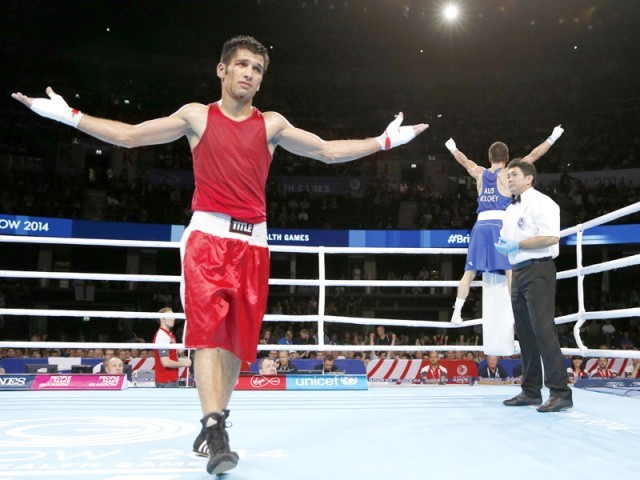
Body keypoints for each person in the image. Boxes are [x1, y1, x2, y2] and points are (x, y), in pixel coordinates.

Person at [12, 35, 427, 476]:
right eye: (242, 65)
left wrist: (381, 143)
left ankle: (216, 421)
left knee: (235, 345)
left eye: (257, 69)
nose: (249, 73)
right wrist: (69, 116)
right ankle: (215, 429)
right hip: (208, 237)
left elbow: (326, 150)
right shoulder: (196, 116)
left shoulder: (271, 124)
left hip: (255, 243)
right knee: (208, 334)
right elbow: (131, 136)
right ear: (222, 70)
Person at [445, 126, 564, 324]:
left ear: (489, 156)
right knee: (510, 271)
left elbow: (464, 161)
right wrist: (553, 137)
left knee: (469, 272)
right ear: (507, 157)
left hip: (480, 225)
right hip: (501, 224)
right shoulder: (509, 174)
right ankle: (516, 315)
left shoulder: (479, 173)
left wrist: (452, 148)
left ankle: (456, 313)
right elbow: (534, 155)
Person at [495, 159, 573, 412]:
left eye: (514, 174)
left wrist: (519, 245)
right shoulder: (510, 209)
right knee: (526, 334)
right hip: (518, 272)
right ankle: (530, 391)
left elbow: (551, 236)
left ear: (529, 178)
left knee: (542, 330)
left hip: (539, 269)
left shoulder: (543, 202)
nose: (509, 179)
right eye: (508, 175)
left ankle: (561, 392)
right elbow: (508, 241)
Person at [153, 307, 192, 388]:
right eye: (170, 316)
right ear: (162, 319)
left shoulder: (169, 335)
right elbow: (165, 362)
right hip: (166, 380)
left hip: (170, 379)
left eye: (173, 316)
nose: (173, 319)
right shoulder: (162, 336)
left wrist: (188, 343)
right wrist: (183, 363)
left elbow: (176, 352)